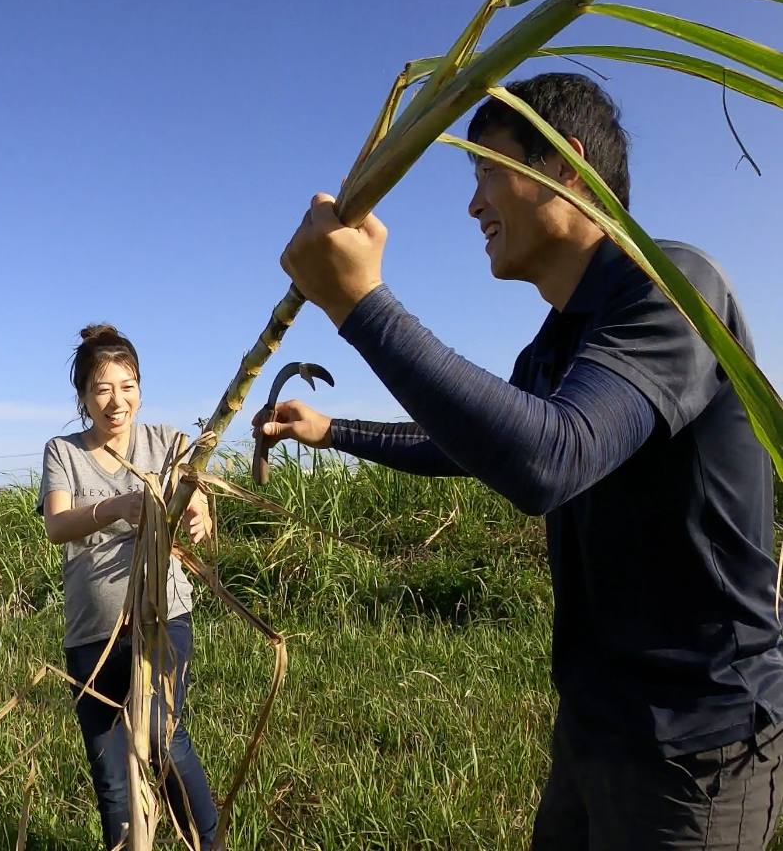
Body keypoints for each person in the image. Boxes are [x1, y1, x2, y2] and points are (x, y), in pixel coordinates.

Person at [263, 72, 783, 849]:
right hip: (592, 725)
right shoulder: (551, 349)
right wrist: (332, 429)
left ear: (564, 168)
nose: (473, 205)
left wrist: (358, 305)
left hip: (696, 744)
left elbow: (547, 458)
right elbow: (470, 445)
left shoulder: (672, 290)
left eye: (485, 170)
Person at [40, 325, 218, 851]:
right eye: (102, 389)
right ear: (83, 399)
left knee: (161, 738)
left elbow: (198, 499)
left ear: (140, 387)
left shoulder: (168, 443)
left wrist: (199, 516)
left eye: (128, 386)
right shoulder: (63, 452)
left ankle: (208, 842)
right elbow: (57, 525)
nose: (116, 401)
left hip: (162, 621)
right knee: (112, 780)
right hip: (90, 633)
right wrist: (114, 508)